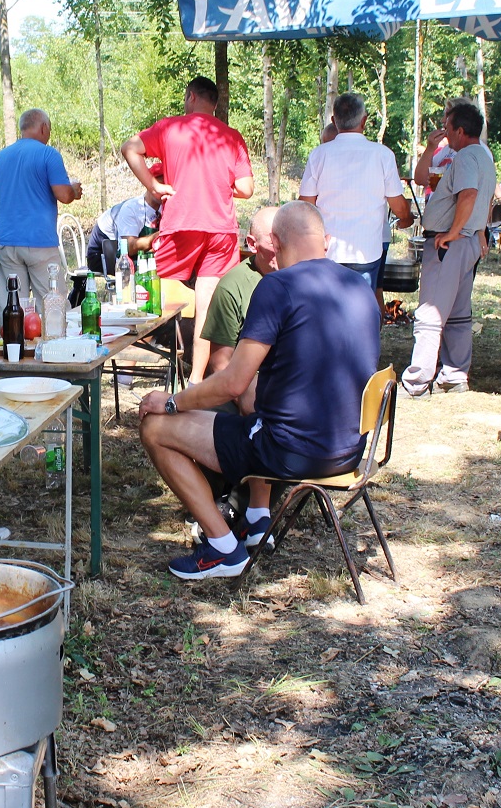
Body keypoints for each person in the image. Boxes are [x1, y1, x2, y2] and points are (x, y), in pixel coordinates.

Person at [136, 202, 379, 580]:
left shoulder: (277, 287)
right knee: (262, 404)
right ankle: (255, 518)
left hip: (290, 453)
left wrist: (171, 402)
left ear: (276, 244)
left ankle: (222, 548)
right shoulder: (360, 287)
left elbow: (232, 381)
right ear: (326, 241)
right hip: (351, 452)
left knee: (155, 427)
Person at [122, 76, 254, 381]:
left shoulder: (170, 127)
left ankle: (126, 366)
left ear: (191, 97)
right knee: (207, 306)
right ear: (215, 104)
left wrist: (153, 185)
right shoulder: (231, 136)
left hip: (181, 224)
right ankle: (195, 379)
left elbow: (129, 148)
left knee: (142, 289)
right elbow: (246, 188)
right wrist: (218, 185)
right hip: (221, 230)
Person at [401, 103, 497, 398]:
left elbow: (468, 195)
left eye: (448, 126)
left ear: (460, 130)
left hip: (451, 243)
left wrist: (453, 232)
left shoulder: (466, 156)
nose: (445, 132)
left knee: (430, 312)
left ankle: (417, 381)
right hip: (466, 242)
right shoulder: (483, 156)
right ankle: (454, 375)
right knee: (457, 313)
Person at [297, 92, 413, 306]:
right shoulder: (382, 155)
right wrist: (407, 218)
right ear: (364, 120)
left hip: (328, 251)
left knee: (328, 311)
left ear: (334, 121)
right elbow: (398, 205)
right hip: (365, 252)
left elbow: (305, 205)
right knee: (360, 312)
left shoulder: (319, 155)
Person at [0, 107, 82, 309]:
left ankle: (13, 331)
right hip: (40, 242)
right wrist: (73, 190)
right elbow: (64, 195)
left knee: (12, 306)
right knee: (52, 306)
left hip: (7, 242)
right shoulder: (48, 155)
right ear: (43, 128)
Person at [200, 206, 280, 408]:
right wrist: (249, 401)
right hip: (244, 387)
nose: (282, 248)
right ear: (252, 244)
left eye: (286, 239)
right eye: (273, 242)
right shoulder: (232, 287)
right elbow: (220, 363)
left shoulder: (304, 276)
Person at [86, 180, 161, 276]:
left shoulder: (165, 206)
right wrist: (161, 234)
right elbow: (130, 247)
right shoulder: (132, 208)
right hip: (102, 251)